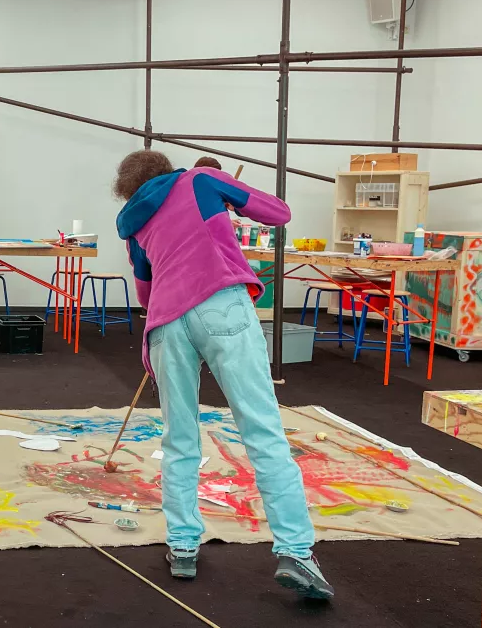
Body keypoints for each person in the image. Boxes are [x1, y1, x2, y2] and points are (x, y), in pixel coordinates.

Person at [113, 150, 333, 601]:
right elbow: (278, 213)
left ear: (129, 187)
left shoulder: (133, 223)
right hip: (221, 304)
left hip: (165, 323)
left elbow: (145, 290)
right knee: (262, 430)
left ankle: (182, 546)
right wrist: (230, 200)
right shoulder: (198, 181)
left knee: (179, 438)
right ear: (166, 168)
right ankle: (295, 551)